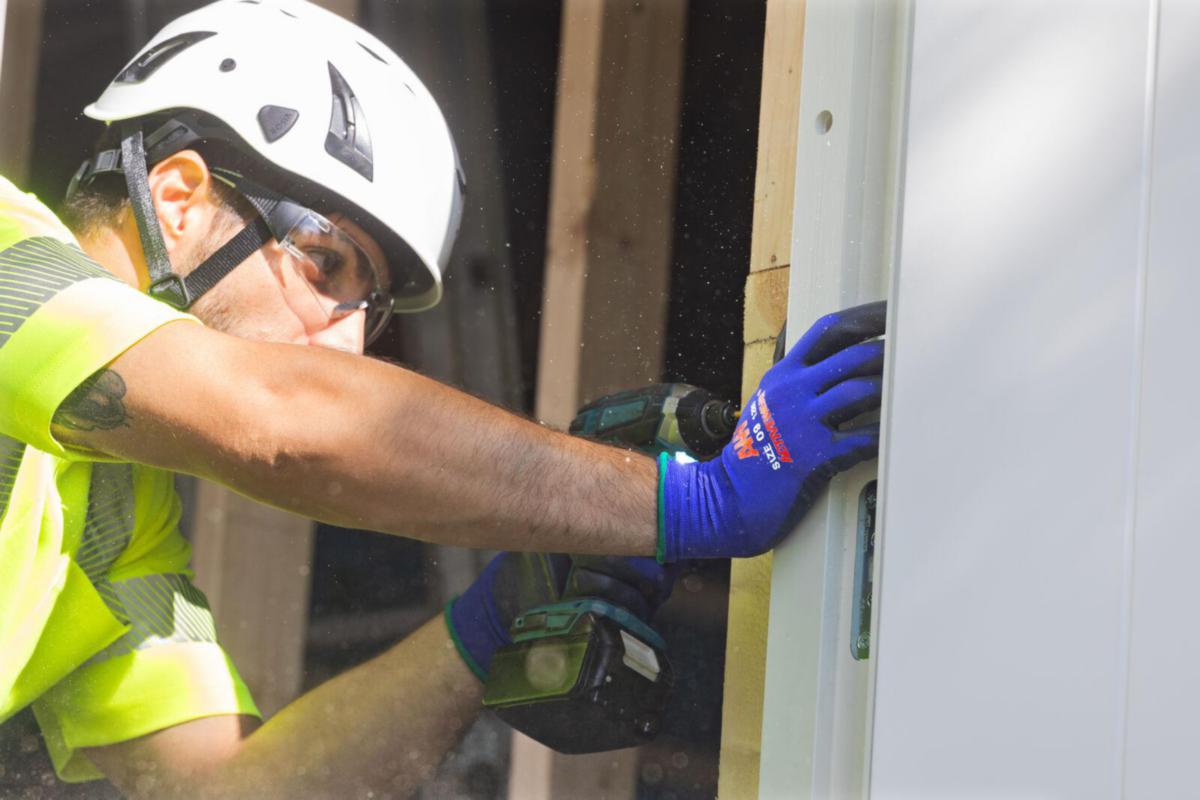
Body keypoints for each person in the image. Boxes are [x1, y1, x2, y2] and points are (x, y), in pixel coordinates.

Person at [0, 0, 886, 796]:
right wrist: (691, 502)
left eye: (370, 310)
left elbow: (231, 790)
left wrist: (487, 621)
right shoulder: (8, 257)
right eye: (325, 263)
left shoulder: (110, 517)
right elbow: (284, 422)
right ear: (179, 198)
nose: (347, 347)